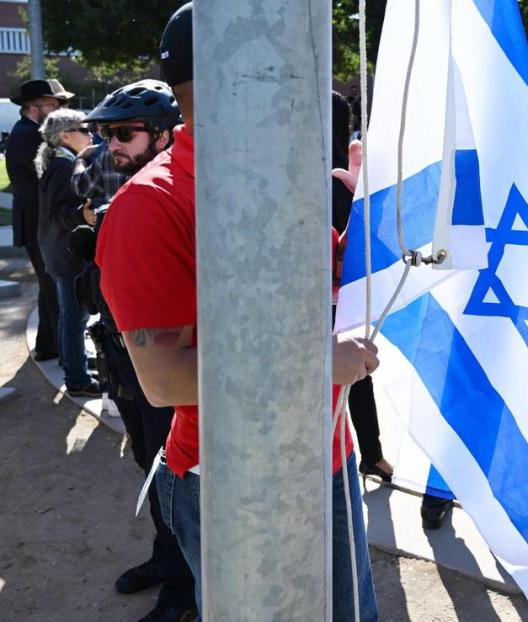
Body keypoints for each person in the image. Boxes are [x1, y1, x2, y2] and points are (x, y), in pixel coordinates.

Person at [95, 5, 380, 620]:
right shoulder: (150, 204)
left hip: (325, 450)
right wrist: (311, 367)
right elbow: (165, 378)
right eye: (299, 66)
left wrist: (369, 226)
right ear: (249, 69)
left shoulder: (281, 177)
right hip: (235, 480)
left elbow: (327, 291)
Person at [74, 80, 198, 622]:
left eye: (123, 133)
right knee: (151, 465)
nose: (110, 145)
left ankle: (182, 585)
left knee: (173, 471)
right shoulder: (131, 188)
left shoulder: (174, 192)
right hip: (124, 359)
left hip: (174, 368)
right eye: (104, 133)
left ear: (168, 133)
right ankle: (165, 557)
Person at [331, 90, 393, 483]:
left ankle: (367, 454)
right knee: (357, 375)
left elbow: (343, 257)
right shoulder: (349, 177)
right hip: (345, 300)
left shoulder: (341, 179)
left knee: (353, 373)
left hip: (333, 301)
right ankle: (371, 454)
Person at [34, 109, 101, 397]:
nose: (90, 134)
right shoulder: (63, 167)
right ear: (65, 136)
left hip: (59, 251)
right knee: (75, 317)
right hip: (67, 253)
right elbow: (60, 213)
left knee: (69, 316)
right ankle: (77, 378)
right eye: (83, 129)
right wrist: (82, 215)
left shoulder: (63, 162)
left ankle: (73, 363)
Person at [6, 79, 73, 361]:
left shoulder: (33, 131)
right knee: (55, 289)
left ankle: (49, 345)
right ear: (34, 108)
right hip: (39, 222)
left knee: (50, 287)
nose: (59, 110)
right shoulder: (30, 135)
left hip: (39, 220)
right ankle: (68, 355)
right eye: (53, 105)